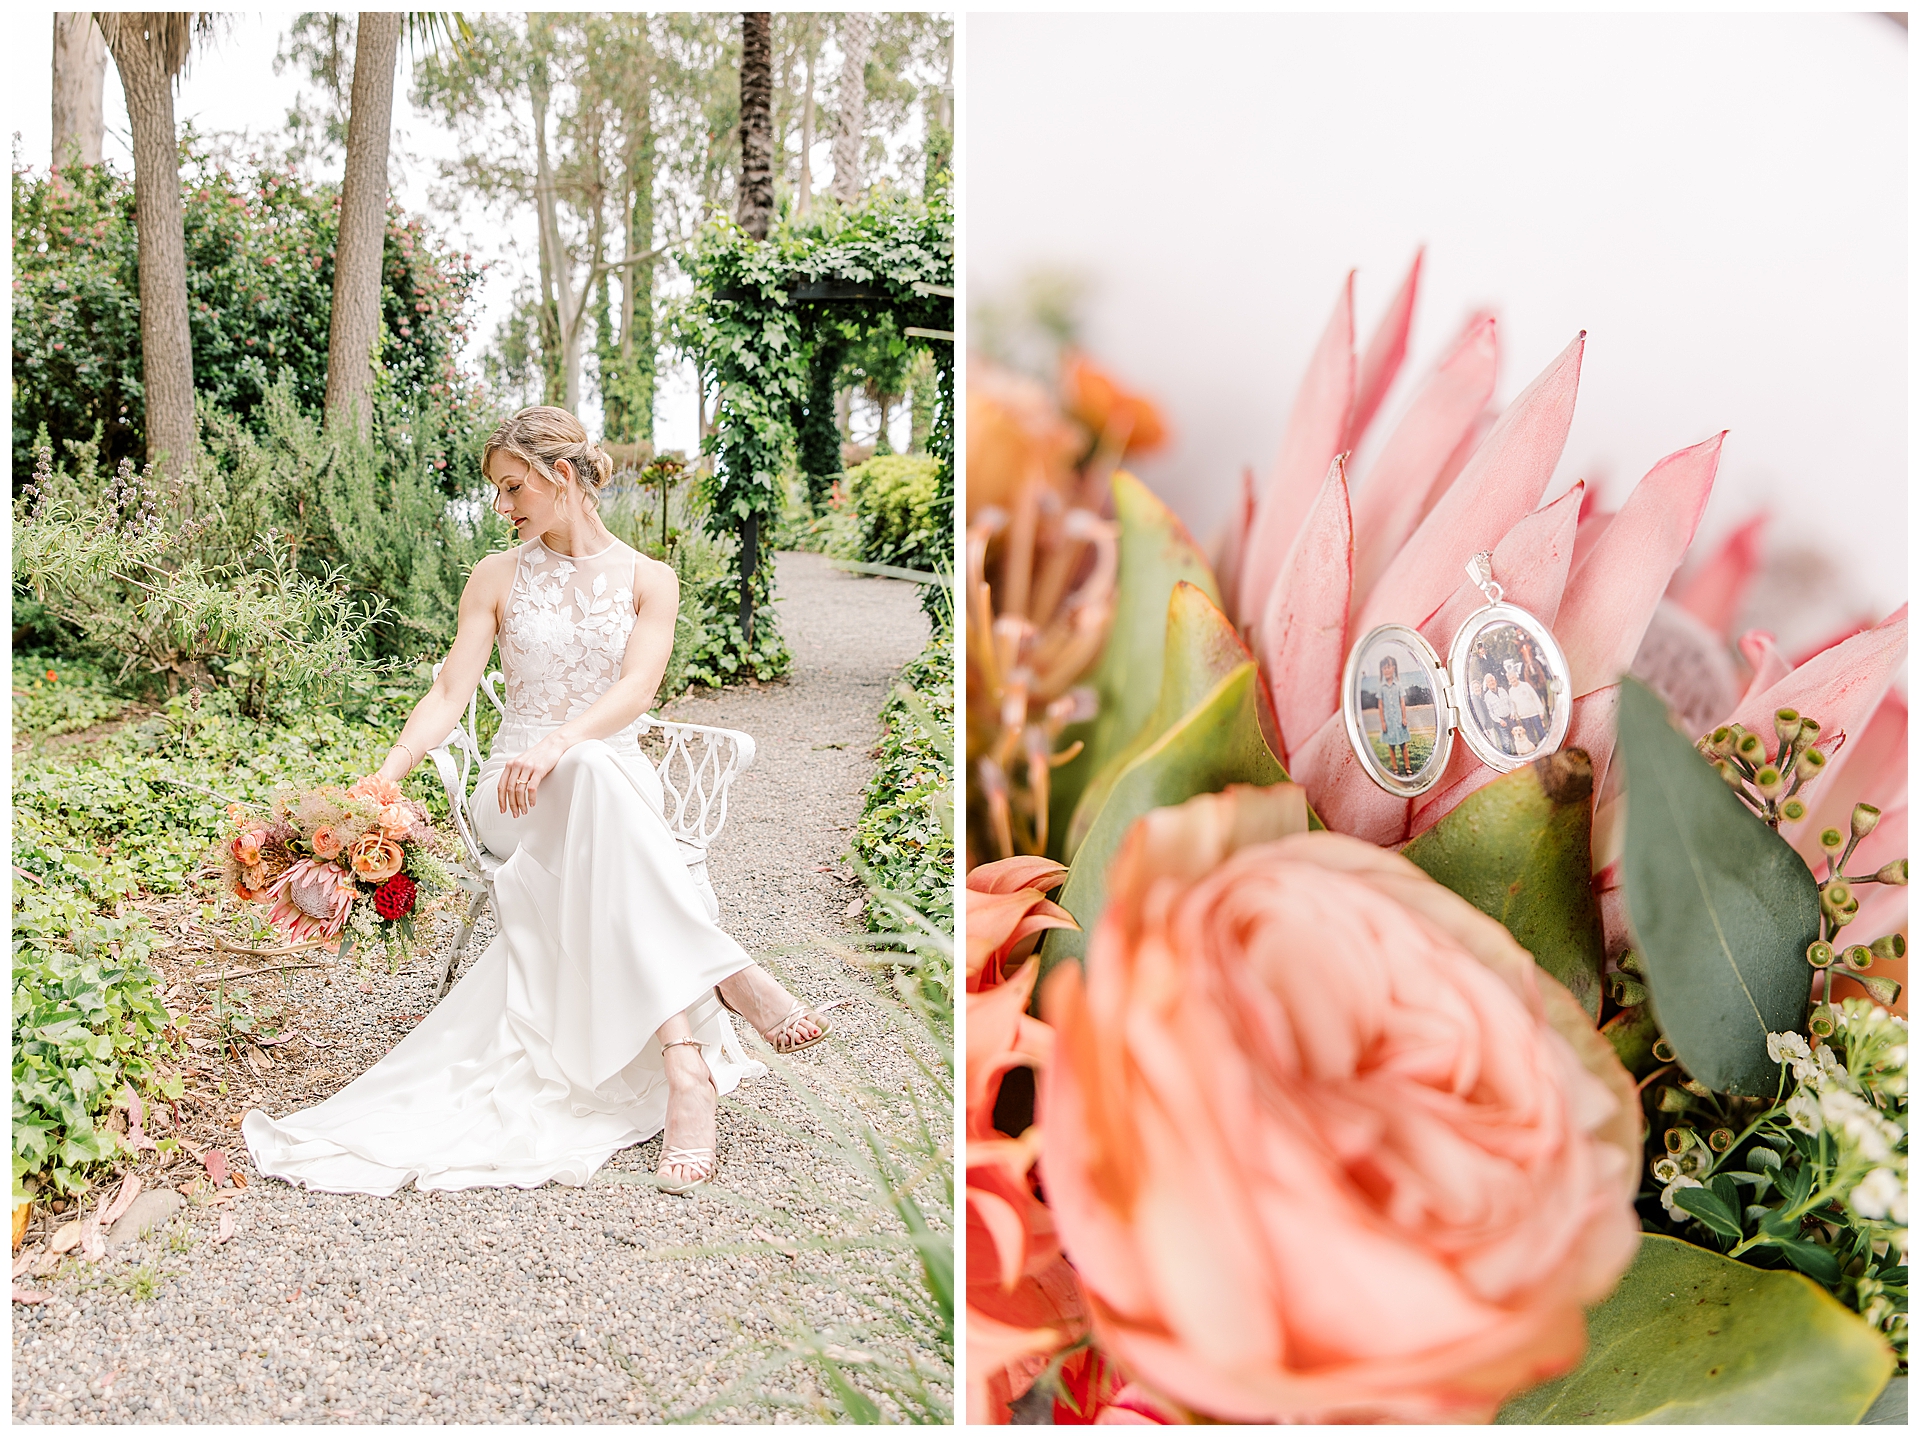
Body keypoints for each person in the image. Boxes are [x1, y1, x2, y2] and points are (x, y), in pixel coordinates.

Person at [243, 406, 827, 1200]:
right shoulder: (497, 576)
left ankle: (684, 1064)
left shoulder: (652, 579)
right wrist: (389, 773)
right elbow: (452, 688)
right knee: (586, 779)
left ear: (562, 475)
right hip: (513, 797)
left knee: (592, 775)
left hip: (605, 779)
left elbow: (636, 688)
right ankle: (728, 975)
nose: (503, 506)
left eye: (513, 486)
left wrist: (563, 743)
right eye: (496, 491)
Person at [1376, 655, 1414, 777]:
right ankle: (1395, 768)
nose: (1386, 670)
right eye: (1384, 668)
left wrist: (1404, 717)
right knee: (1391, 746)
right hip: (1389, 721)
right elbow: (1380, 705)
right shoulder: (1381, 688)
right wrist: (1382, 722)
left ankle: (1407, 767)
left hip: (1398, 720)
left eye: (1388, 667)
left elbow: (1402, 702)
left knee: (1403, 745)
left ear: (1393, 668)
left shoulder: (1398, 685)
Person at [1480, 672, 1517, 756]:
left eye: (1492, 680)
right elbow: (1490, 712)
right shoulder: (1487, 696)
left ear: (1495, 681)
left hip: (1510, 718)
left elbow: (1510, 702)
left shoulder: (1502, 690)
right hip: (1500, 722)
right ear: (1487, 684)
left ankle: (1518, 756)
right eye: (1489, 682)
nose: (1491, 683)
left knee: (1515, 739)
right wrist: (1500, 720)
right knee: (1506, 743)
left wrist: (1512, 713)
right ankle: (1510, 760)